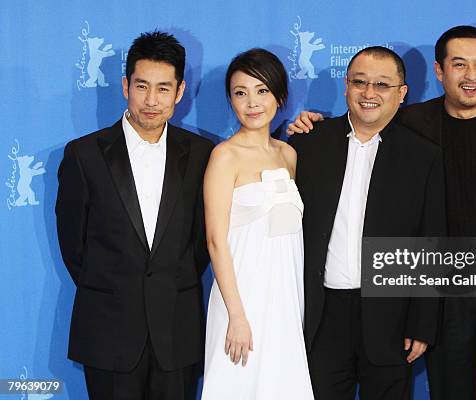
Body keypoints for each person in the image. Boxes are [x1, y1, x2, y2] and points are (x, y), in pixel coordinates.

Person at [287, 26, 476, 400]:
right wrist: (309, 124)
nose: (470, 75)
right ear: (439, 70)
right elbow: (363, 120)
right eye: (459, 64)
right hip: (444, 290)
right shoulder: (410, 121)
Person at [55, 31, 213, 399]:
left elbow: (202, 242)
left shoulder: (203, 154)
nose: (152, 101)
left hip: (176, 332)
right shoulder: (84, 155)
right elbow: (74, 248)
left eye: (163, 88)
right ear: (126, 86)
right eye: (142, 86)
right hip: (108, 332)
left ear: (179, 91)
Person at [289, 46, 445, 400]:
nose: (369, 93)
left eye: (381, 85)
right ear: (346, 86)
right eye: (359, 82)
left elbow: (432, 241)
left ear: (402, 93)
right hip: (321, 316)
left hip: (391, 317)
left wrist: (422, 323)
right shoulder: (308, 142)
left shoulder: (424, 156)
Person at [201, 48, 314, 399]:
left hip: (286, 299)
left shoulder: (289, 154)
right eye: (240, 92)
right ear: (231, 101)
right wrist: (236, 315)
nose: (252, 102)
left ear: (279, 96)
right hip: (242, 301)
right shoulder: (224, 156)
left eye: (262, 90)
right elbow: (215, 240)